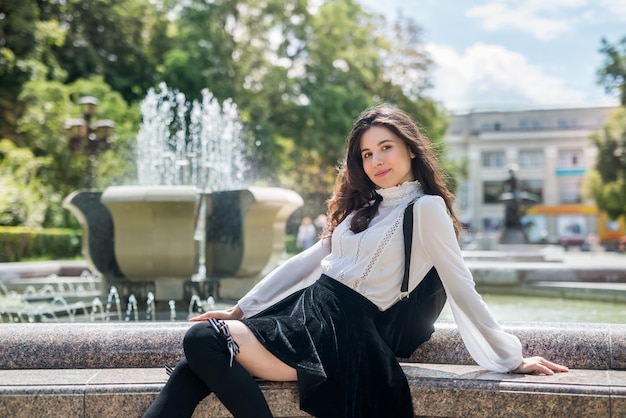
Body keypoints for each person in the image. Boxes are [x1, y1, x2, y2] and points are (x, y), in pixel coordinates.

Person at [143, 104, 568, 418]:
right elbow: (306, 261)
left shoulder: (425, 209)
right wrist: (242, 309)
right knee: (193, 366)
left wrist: (510, 358)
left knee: (203, 342)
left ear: (410, 150)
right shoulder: (365, 208)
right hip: (304, 314)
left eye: (386, 147)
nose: (376, 161)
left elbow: (462, 286)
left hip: (339, 334)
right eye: (367, 154)